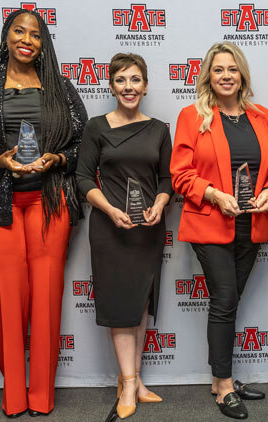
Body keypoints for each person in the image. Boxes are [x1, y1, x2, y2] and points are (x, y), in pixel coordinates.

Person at [0, 9, 86, 418]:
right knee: (7, 295)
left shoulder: (59, 86)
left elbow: (83, 144)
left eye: (36, 34)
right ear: (6, 35)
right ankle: (14, 395)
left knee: (46, 294)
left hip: (50, 200)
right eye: (19, 31)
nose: (27, 39)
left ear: (44, 43)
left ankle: (42, 396)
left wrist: (57, 157)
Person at [169, 41, 268, 420]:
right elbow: (180, 174)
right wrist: (215, 195)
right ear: (208, 75)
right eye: (218, 69)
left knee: (230, 302)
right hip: (211, 223)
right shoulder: (193, 116)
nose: (226, 76)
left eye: (232, 69)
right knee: (223, 301)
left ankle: (227, 378)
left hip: (250, 224)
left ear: (242, 74)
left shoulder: (264, 117)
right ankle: (221, 386)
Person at [75, 53, 171, 419]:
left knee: (141, 304)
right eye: (121, 80)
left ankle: (134, 378)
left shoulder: (159, 129)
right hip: (109, 229)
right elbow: (83, 178)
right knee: (119, 307)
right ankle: (129, 382)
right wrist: (109, 209)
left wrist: (161, 204)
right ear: (111, 85)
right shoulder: (97, 127)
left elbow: (166, 179)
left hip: (147, 229)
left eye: (135, 80)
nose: (128, 87)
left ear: (145, 85)